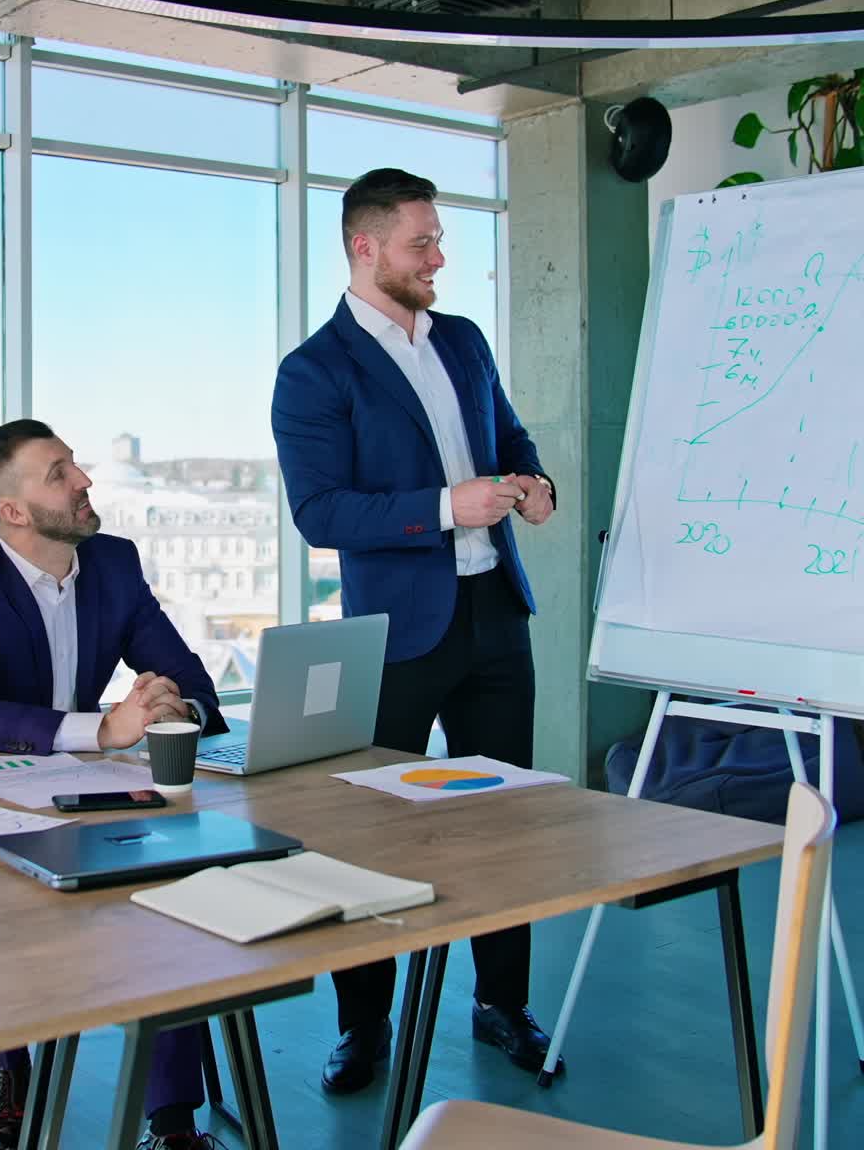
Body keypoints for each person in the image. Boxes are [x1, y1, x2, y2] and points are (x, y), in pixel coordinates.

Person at [271, 167, 560, 1094]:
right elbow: (320, 513)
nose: (440, 258)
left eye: (439, 240)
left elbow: (509, 439)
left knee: (501, 823)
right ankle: (364, 1024)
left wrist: (532, 481)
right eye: (422, 244)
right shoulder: (314, 371)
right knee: (368, 835)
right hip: (395, 637)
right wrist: (448, 505)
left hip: (494, 617)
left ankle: (501, 1002)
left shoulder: (466, 342)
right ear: (366, 249)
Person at [0, 418, 228, 1150]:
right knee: (3, 907)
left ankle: (172, 1122)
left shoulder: (114, 565)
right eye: (59, 472)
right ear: (15, 512)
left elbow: (192, 684)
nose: (84, 480)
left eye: (75, 465)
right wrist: (98, 731)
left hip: (99, 796)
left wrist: (172, 707)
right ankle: (14, 1076)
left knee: (173, 888)